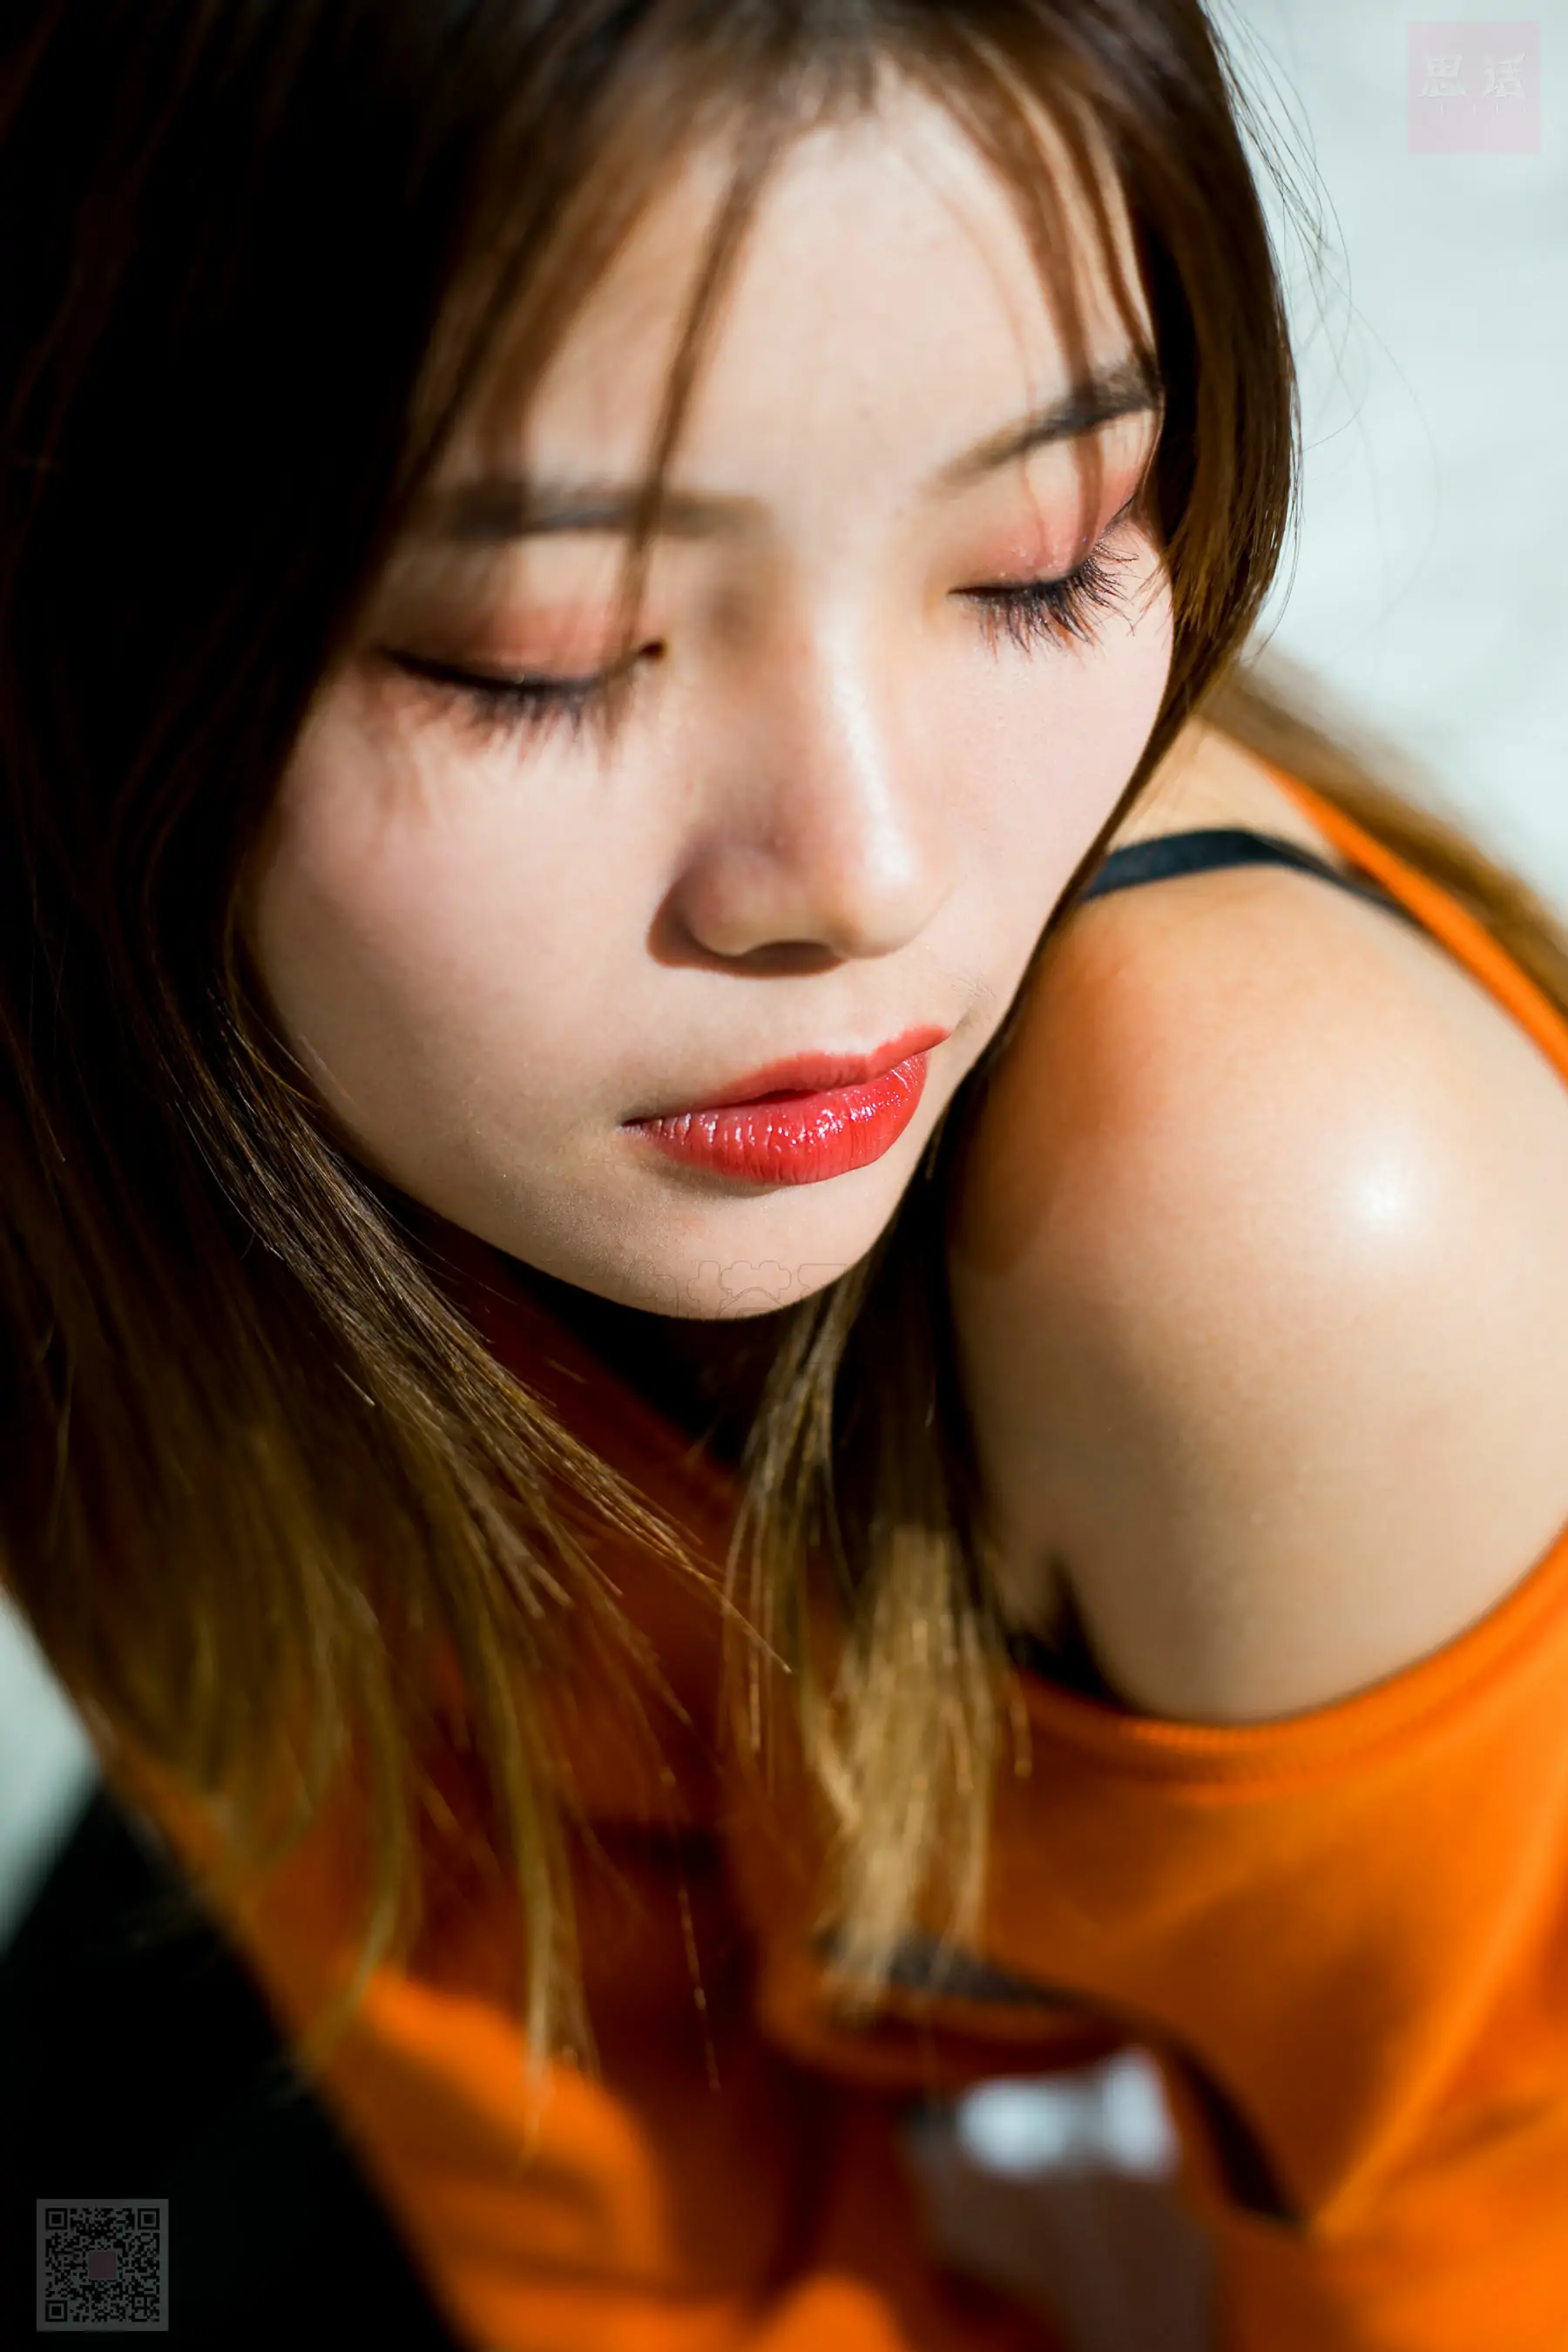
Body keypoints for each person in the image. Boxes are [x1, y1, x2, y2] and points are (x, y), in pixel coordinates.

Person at [3, 3, 1568, 2348]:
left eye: (1040, 557)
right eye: (539, 656)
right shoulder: (84, 1110)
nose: (864, 871)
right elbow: (558, 2151)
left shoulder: (1295, 1215)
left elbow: (1476, 2234)